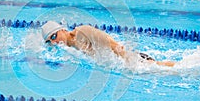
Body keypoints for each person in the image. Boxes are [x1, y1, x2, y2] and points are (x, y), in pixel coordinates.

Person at [42, 21, 176, 67]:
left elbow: (114, 45)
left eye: (54, 36)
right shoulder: (71, 49)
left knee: (165, 69)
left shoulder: (82, 32)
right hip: (125, 63)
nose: (54, 41)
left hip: (133, 60)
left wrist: (131, 63)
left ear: (63, 30)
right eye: (50, 41)